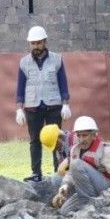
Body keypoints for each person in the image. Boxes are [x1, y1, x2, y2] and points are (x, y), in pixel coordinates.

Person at [15, 25, 71, 182]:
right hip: (32, 107)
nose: (36, 46)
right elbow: (20, 86)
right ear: (29, 44)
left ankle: (57, 171)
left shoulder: (57, 59)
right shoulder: (23, 62)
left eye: (39, 43)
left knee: (56, 140)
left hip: (54, 105)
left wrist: (66, 103)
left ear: (45, 42)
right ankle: (36, 173)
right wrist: (19, 108)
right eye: (33, 43)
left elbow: (62, 82)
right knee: (34, 140)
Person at [51, 116, 110, 215]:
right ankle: (84, 202)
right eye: (78, 135)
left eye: (84, 135)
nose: (81, 139)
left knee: (76, 164)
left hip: (105, 188)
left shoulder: (106, 150)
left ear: (94, 135)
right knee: (64, 211)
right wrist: (64, 187)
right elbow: (71, 172)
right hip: (86, 189)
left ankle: (88, 206)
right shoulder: (75, 150)